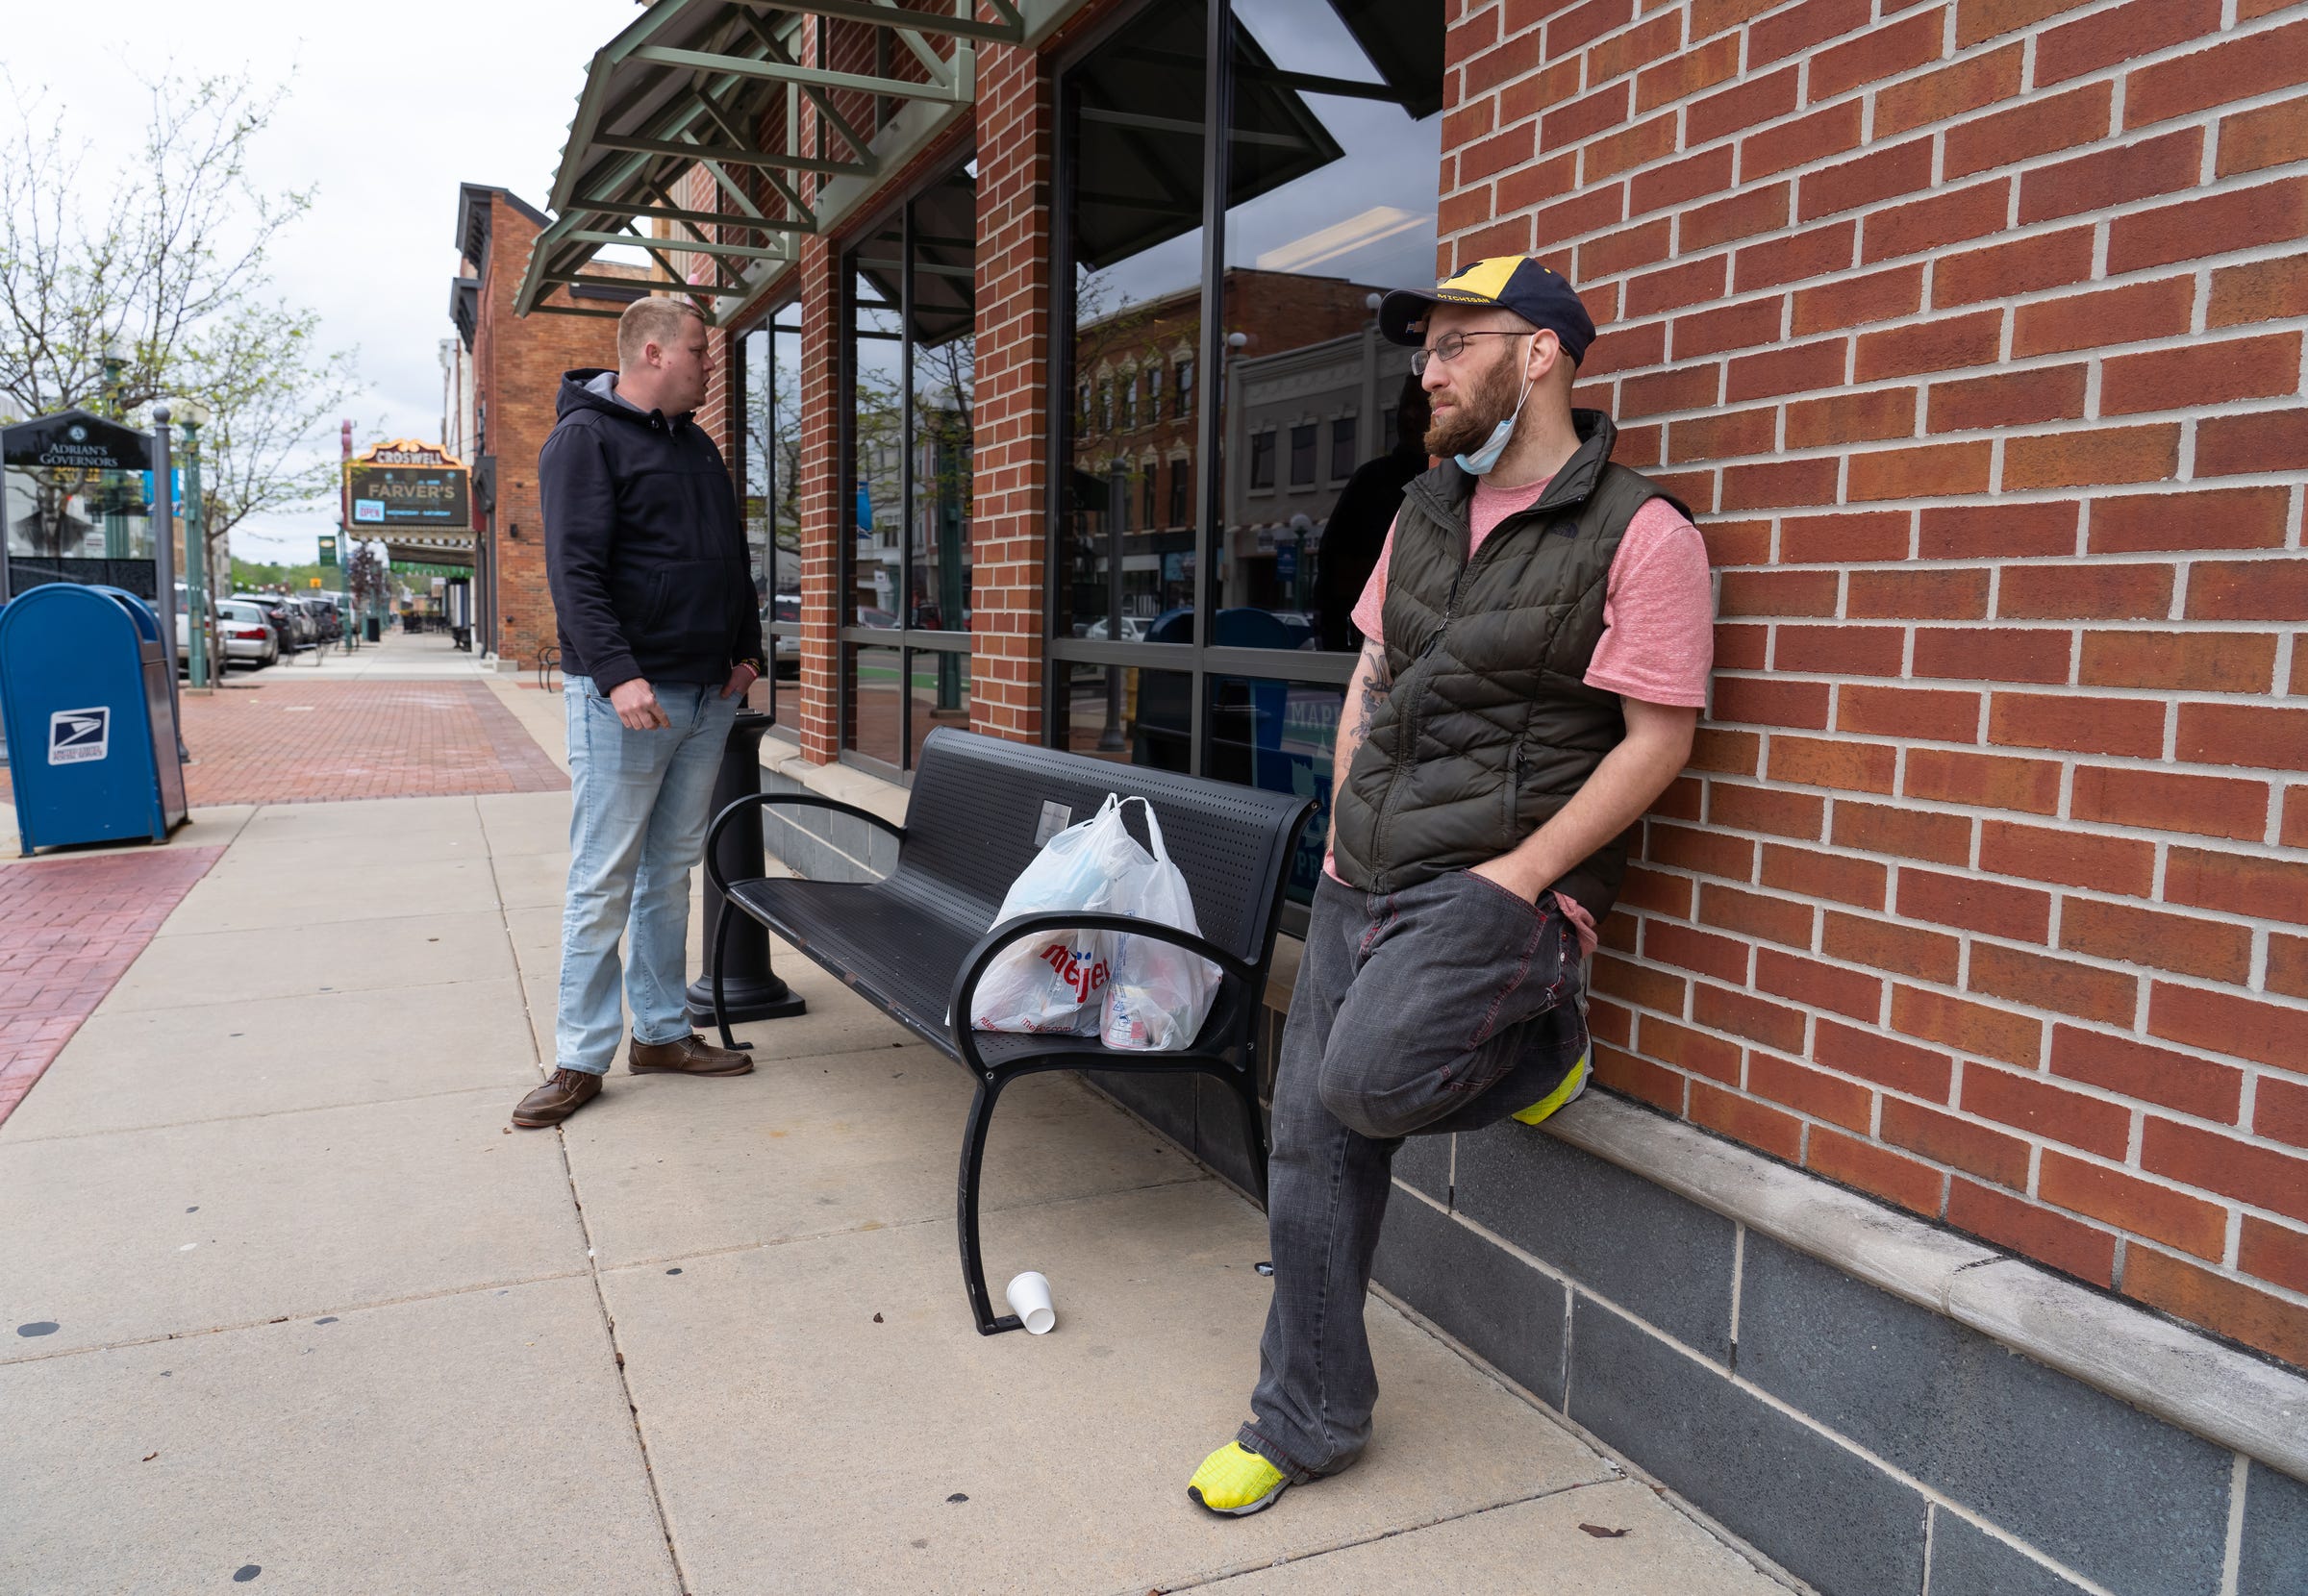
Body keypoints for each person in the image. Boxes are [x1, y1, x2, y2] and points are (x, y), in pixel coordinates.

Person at [1188, 256, 1715, 1515]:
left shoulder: (1644, 533)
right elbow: (1374, 662)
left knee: (1363, 1083)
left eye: (1452, 346)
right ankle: (1305, 1417)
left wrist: (1523, 878)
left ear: (1539, 354)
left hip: (1498, 876)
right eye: (1420, 350)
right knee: (1311, 1139)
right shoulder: (1423, 512)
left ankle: (1540, 1040)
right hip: (1364, 860)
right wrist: (1343, 818)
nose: (1425, 369)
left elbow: (1660, 740)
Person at [511, 296, 767, 1130]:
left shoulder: (699, 447)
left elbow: (732, 560)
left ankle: (660, 1033)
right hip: (630, 700)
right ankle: (581, 1056)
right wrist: (619, 675)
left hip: (705, 696)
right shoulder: (582, 439)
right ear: (653, 352)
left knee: (669, 873)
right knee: (604, 877)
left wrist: (748, 652)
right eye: (699, 349)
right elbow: (573, 573)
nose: (709, 363)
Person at [1313, 371, 1431, 653]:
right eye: (1406, 406)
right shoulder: (1373, 481)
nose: (1410, 416)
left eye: (1421, 405)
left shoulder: (1471, 483)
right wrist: (1335, 655)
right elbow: (1333, 575)